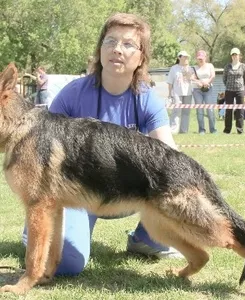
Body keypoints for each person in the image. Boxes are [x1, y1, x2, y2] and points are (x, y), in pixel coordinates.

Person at [22, 13, 182, 277]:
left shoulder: (147, 99)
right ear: (100, 50)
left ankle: (143, 239)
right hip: (79, 197)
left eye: (128, 44)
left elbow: (170, 155)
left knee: (173, 228)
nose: (117, 49)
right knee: (69, 263)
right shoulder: (73, 93)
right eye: (110, 41)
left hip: (130, 196)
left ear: (141, 57)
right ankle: (34, 232)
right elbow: (41, 148)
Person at [223, 47, 245, 134]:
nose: (234, 56)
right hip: (229, 90)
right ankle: (227, 130)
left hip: (239, 91)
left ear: (239, 56)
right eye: (233, 55)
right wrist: (228, 85)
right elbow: (224, 79)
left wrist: (241, 86)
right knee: (228, 110)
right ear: (231, 56)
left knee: (240, 111)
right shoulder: (227, 66)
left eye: (236, 54)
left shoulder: (243, 66)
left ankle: (240, 130)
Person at [167, 51, 193, 134]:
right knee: (176, 111)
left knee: (186, 112)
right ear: (179, 57)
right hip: (177, 93)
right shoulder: (174, 68)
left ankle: (184, 130)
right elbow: (170, 82)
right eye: (184, 57)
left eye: (187, 57)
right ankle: (173, 129)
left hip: (188, 93)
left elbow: (191, 79)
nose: (186, 58)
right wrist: (169, 94)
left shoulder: (190, 68)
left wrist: (187, 70)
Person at [191, 50, 216, 134]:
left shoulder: (210, 66)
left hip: (208, 89)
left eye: (202, 58)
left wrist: (207, 82)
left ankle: (213, 129)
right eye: (199, 58)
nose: (200, 60)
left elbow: (213, 76)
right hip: (197, 90)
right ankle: (201, 129)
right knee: (200, 110)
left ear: (205, 58)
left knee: (210, 110)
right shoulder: (194, 68)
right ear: (196, 59)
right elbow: (192, 78)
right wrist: (199, 83)